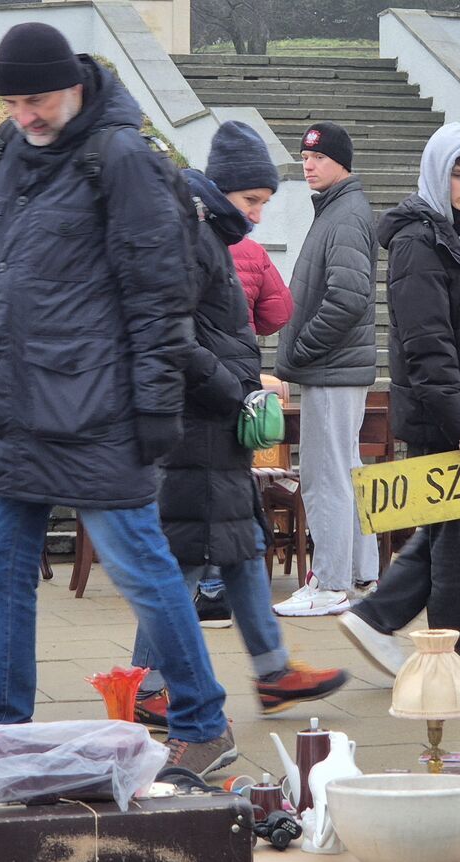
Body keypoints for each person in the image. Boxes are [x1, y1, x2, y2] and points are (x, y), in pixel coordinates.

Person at [0, 22, 234, 783]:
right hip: (20, 406)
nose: (26, 114)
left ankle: (202, 721)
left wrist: (157, 402)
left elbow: (161, 295)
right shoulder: (14, 148)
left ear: (76, 84)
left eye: (38, 98)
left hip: (98, 408)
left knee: (141, 567)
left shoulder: (122, 158)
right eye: (14, 101)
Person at [131, 122, 347, 727]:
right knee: (183, 559)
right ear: (220, 189)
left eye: (264, 205)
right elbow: (174, 338)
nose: (256, 216)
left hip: (215, 426)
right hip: (195, 425)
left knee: (245, 549)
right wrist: (237, 393)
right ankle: (148, 687)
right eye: (251, 201)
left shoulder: (212, 237)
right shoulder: (192, 238)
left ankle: (274, 673)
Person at [338, 122, 460, 688]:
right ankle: (457, 655)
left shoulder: (459, 234)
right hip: (449, 418)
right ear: (437, 174)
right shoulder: (423, 240)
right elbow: (426, 342)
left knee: (448, 533)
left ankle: (376, 617)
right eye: (458, 174)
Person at [271, 121, 379, 617]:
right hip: (336, 370)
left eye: (317, 157)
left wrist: (303, 349)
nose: (308, 164)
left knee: (324, 475)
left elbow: (349, 297)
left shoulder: (345, 215)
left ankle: (331, 584)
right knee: (346, 471)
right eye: (305, 156)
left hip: (331, 370)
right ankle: (359, 574)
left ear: (342, 162)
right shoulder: (340, 210)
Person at [194, 186, 295, 630]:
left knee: (218, 505)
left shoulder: (191, 243)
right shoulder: (247, 251)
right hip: (229, 380)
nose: (256, 213)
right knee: (230, 502)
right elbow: (280, 310)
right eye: (252, 201)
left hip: (212, 383)